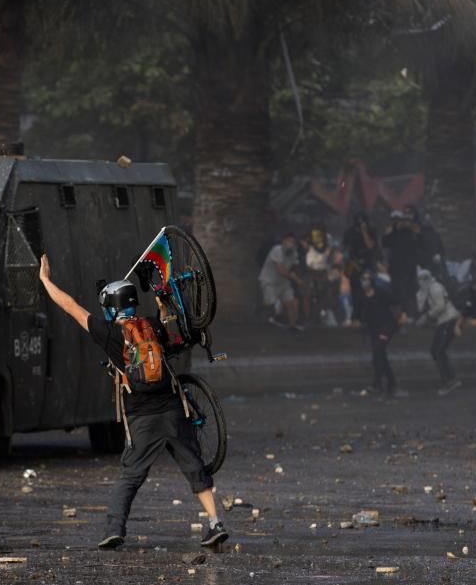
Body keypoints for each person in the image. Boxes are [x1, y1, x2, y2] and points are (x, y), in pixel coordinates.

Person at [38, 256, 228, 549]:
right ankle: (215, 523)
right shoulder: (152, 325)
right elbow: (167, 321)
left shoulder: (109, 333)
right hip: (173, 408)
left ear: (110, 307)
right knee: (193, 465)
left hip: (141, 416)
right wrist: (161, 297)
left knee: (130, 476)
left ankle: (115, 530)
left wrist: (46, 281)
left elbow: (71, 307)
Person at [359, 270, 408, 397]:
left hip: (387, 327)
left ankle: (379, 384)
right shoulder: (364, 296)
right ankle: (390, 384)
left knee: (378, 351)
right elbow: (366, 314)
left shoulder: (381, 292)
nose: (364, 282)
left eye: (367, 280)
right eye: (363, 280)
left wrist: (401, 316)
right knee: (379, 355)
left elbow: (396, 301)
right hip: (375, 329)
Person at [416, 269, 463, 395]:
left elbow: (440, 306)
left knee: (438, 351)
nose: (420, 282)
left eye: (423, 279)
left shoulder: (435, 288)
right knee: (436, 351)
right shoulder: (426, 290)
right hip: (443, 322)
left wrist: (427, 316)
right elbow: (420, 306)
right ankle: (451, 378)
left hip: (449, 320)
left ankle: (449, 382)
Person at [258, 233, 303, 330]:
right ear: (283, 241)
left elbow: (296, 267)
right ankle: (267, 321)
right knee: (271, 303)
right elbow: (281, 270)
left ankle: (292, 326)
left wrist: (299, 277)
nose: (290, 244)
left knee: (290, 303)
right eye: (288, 241)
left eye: (292, 242)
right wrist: (295, 279)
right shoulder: (277, 250)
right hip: (269, 280)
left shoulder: (294, 253)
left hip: (283, 282)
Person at [382, 210, 421, 317]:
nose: (404, 223)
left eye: (407, 221)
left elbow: (419, 246)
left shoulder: (412, 233)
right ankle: (400, 315)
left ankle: (410, 315)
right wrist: (390, 231)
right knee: (397, 292)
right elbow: (385, 243)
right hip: (396, 268)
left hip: (409, 269)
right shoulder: (395, 234)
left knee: (409, 292)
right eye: (404, 221)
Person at [342, 211, 378, 322]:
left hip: (367, 263)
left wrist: (364, 232)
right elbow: (345, 248)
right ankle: (356, 316)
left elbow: (370, 246)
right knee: (355, 291)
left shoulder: (371, 231)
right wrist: (346, 268)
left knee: (367, 290)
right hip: (353, 263)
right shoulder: (350, 232)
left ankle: (367, 316)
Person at [304, 227, 337, 326]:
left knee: (322, 297)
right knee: (311, 296)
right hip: (312, 273)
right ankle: (311, 318)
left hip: (323, 273)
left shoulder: (327, 242)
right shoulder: (311, 247)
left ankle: (319, 317)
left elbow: (329, 256)